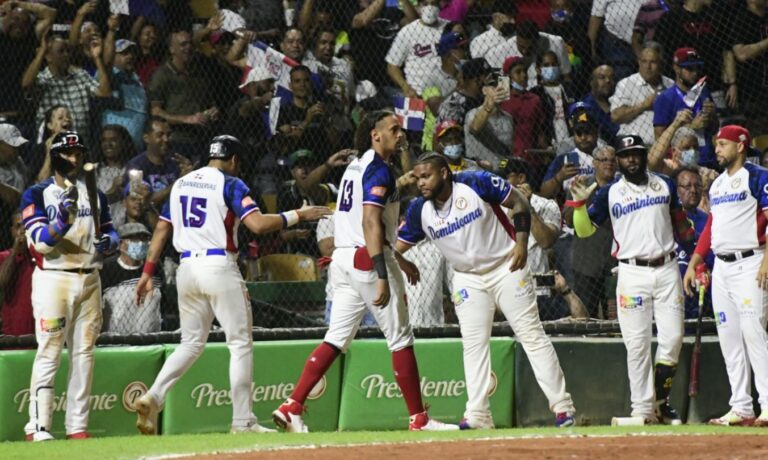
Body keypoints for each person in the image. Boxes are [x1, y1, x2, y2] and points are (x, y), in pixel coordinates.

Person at [133, 135, 332, 435]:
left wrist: (147, 272)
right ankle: (243, 422)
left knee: (191, 343)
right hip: (218, 266)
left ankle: (154, 396)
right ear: (234, 160)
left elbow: (161, 228)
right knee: (239, 343)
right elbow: (258, 225)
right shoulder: (230, 183)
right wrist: (298, 215)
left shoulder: (183, 183)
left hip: (187, 268)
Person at [272, 111, 458, 433]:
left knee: (335, 339)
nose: (400, 134)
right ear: (376, 135)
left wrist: (398, 259)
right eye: (393, 129)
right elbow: (370, 221)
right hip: (367, 260)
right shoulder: (379, 170)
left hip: (344, 261)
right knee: (400, 338)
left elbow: (372, 222)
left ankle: (292, 406)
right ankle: (419, 419)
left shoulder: (353, 168)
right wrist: (383, 272)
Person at [396, 153, 576, 429]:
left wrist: (521, 243)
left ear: (444, 173)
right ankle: (478, 415)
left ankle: (563, 408)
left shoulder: (475, 182)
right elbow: (394, 247)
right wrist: (402, 261)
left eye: (426, 176)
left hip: (506, 266)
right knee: (473, 344)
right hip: (467, 279)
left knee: (530, 334)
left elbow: (519, 202)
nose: (421, 183)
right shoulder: (419, 210)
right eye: (418, 178)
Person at [569, 134, 695, 424]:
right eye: (626, 155)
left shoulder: (664, 183)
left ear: (643, 155)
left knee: (673, 339)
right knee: (637, 345)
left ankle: (660, 402)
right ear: (618, 161)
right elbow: (585, 231)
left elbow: (682, 227)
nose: (632, 159)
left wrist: (697, 259)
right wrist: (578, 205)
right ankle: (642, 410)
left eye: (636, 153)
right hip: (631, 273)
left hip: (667, 269)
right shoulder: (608, 193)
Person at [20, 130, 119, 441]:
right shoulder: (36, 194)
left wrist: (110, 243)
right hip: (54, 279)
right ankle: (38, 426)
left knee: (84, 353)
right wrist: (61, 221)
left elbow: (111, 233)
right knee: (49, 350)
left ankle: (77, 426)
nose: (74, 159)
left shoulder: (96, 194)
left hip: (91, 278)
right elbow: (41, 244)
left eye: (78, 153)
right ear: (55, 155)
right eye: (67, 153)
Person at [682, 125, 768, 427]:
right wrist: (695, 261)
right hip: (722, 267)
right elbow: (710, 229)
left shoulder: (758, 177)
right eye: (717, 144)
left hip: (751, 262)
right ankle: (741, 406)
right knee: (730, 337)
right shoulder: (717, 185)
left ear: (740, 145)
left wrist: (767, 260)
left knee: (754, 333)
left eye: (722, 144)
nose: (716, 149)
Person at [562, 145, 619, 318]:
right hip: (586, 262)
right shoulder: (580, 184)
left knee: (615, 317)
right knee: (587, 314)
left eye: (612, 160)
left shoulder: (621, 188)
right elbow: (569, 221)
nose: (608, 164)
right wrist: (579, 201)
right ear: (594, 163)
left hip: (615, 263)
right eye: (603, 160)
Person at [653, 47, 718, 168]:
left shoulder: (703, 92)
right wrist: (692, 127)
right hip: (683, 164)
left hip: (708, 159)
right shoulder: (665, 98)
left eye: (697, 68)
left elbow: (714, 129)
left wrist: (712, 116)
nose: (695, 73)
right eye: (689, 68)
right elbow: (660, 139)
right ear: (676, 68)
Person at [101, 223, 162, 334]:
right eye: (134, 240)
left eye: (143, 239)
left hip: (149, 333)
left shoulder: (154, 267)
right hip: (115, 334)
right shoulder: (108, 268)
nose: (140, 243)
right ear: (120, 244)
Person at [610, 42, 673, 147]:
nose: (648, 67)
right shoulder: (626, 84)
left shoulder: (670, 85)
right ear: (638, 62)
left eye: (653, 62)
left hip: (663, 147)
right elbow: (615, 116)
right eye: (644, 61)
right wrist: (644, 105)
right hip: (632, 146)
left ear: (661, 63)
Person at [673, 167, 713, 320]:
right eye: (687, 186)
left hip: (702, 292)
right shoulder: (665, 218)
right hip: (673, 290)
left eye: (698, 186)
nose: (694, 190)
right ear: (676, 190)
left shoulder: (707, 220)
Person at [385, 0, 446, 97]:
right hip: (418, 91)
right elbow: (392, 67)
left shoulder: (447, 27)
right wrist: (405, 87)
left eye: (433, 3)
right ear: (418, 7)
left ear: (440, 6)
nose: (429, 8)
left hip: (445, 88)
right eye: (425, 4)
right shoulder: (407, 32)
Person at [0, 211, 35, 335]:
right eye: (18, 226)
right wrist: (16, 250)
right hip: (11, 335)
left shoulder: (41, 258)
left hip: (38, 334)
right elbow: (2, 283)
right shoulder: (4, 257)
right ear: (12, 231)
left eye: (27, 226)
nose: (23, 230)